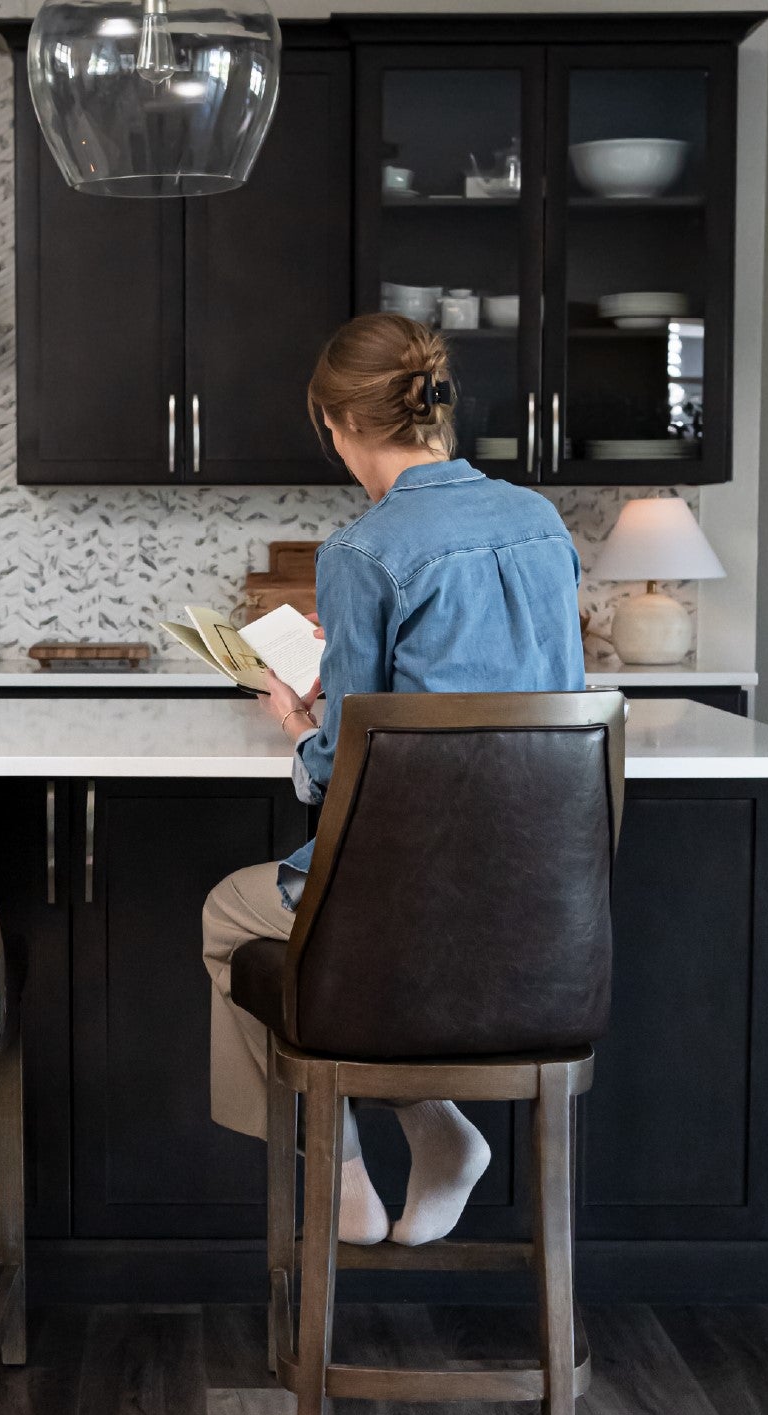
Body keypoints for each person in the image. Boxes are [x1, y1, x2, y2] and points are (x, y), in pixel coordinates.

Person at [201, 312, 586, 1246]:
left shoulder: (361, 552)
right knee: (352, 947)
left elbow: (339, 777)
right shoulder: (539, 522)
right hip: (545, 903)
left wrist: (296, 719)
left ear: (334, 424)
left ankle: (339, 1166)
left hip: (412, 900)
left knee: (227, 915)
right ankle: (437, 1130)